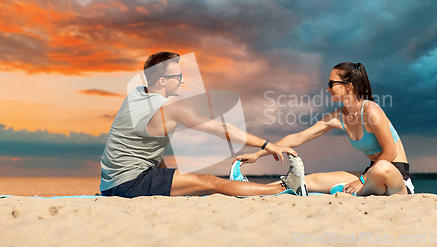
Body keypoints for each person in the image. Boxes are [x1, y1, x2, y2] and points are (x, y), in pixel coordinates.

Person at [100, 52, 308, 198]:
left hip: (112, 184)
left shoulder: (136, 95)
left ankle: (274, 187)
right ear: (162, 81)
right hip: (130, 183)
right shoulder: (172, 109)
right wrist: (267, 145)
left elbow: (143, 145)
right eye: (178, 76)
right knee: (210, 182)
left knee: (196, 181)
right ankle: (283, 188)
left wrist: (165, 174)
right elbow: (221, 129)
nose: (182, 81)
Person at [233, 62, 414, 196]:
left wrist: (361, 180)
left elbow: (389, 153)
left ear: (348, 86)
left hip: (395, 177)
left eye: (332, 84)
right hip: (371, 174)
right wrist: (259, 153)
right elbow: (297, 138)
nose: (327, 89)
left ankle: (359, 190)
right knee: (310, 180)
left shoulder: (371, 111)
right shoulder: (337, 117)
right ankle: (254, 189)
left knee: (381, 166)